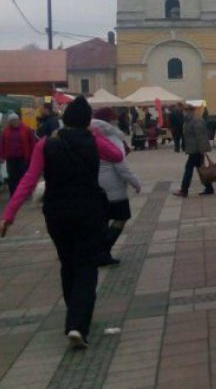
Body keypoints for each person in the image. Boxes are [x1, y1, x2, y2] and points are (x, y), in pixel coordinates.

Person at [0, 96, 123, 349]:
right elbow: (117, 155)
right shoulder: (92, 139)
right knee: (87, 267)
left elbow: (28, 180)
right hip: (89, 210)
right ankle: (77, 324)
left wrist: (8, 215)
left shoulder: (46, 143)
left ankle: (74, 314)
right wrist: (96, 133)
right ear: (87, 120)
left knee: (68, 263)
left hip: (56, 213)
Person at [91, 108, 141, 267]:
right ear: (108, 120)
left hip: (95, 185)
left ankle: (97, 250)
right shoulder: (111, 137)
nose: (117, 120)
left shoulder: (90, 135)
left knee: (102, 219)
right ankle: (103, 250)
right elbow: (121, 166)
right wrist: (135, 182)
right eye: (114, 118)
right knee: (121, 217)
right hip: (114, 186)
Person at [173, 106, 211, 197]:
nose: (183, 113)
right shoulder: (188, 121)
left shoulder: (196, 121)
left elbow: (201, 137)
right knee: (200, 169)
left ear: (188, 111)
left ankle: (184, 190)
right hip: (193, 149)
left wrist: (203, 150)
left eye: (184, 111)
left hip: (197, 150)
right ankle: (209, 187)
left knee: (189, 168)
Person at [0, 112, 37, 198]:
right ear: (9, 122)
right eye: (12, 120)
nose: (15, 122)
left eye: (16, 120)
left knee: (23, 176)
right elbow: (2, 144)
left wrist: (34, 155)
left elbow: (32, 142)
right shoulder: (6, 131)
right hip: (11, 158)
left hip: (23, 157)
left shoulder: (26, 129)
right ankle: (13, 194)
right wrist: (1, 156)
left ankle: (25, 194)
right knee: (12, 177)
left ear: (19, 120)